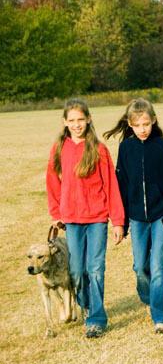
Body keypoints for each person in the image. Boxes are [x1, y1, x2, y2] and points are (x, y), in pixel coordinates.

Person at [104, 98, 163, 334]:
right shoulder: (126, 148)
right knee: (141, 267)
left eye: (146, 124)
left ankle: (161, 318)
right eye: (138, 125)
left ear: (153, 121)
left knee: (158, 265)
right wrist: (121, 221)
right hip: (137, 218)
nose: (143, 129)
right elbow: (121, 183)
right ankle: (151, 295)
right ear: (130, 125)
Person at [46, 98, 125, 338]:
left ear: (89, 119)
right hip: (71, 218)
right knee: (78, 271)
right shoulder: (59, 148)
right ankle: (86, 304)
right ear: (65, 122)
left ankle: (96, 318)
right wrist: (56, 212)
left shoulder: (98, 149)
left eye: (81, 119)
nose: (77, 124)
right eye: (72, 120)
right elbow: (52, 182)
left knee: (96, 268)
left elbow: (111, 185)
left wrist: (118, 221)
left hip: (97, 218)